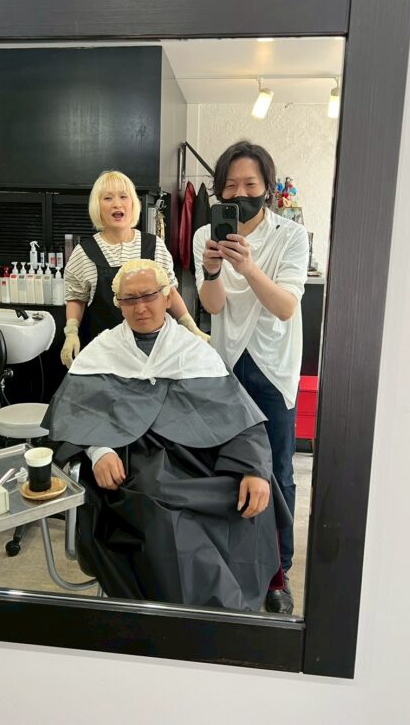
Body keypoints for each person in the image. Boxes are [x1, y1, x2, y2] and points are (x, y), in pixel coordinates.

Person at [43, 259, 291, 612]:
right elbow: (74, 415)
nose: (140, 307)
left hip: (198, 458)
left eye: (148, 296)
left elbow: (239, 416)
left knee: (252, 491)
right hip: (135, 462)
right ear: (118, 304)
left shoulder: (193, 351)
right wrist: (99, 451)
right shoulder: (101, 352)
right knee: (161, 511)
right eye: (130, 299)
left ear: (166, 297)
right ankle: (215, 618)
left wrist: (253, 468)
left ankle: (241, 603)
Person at [193, 141, 309, 615]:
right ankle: (234, 561)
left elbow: (285, 306)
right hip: (226, 364)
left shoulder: (291, 235)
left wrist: (247, 265)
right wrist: (212, 270)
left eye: (250, 185)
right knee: (227, 468)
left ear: (268, 188)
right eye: (230, 186)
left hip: (272, 367)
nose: (240, 194)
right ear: (219, 191)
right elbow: (213, 306)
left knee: (277, 472)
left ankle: (278, 573)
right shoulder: (207, 234)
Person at [60, 170, 207, 367]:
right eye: (108, 198)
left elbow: (169, 291)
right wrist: (71, 333)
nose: (117, 204)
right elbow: (76, 297)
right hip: (105, 353)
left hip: (152, 352)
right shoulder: (84, 253)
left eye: (123, 196)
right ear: (97, 206)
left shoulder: (154, 246)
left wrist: (190, 326)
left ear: (132, 204)